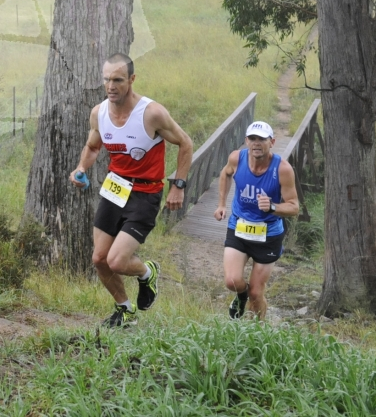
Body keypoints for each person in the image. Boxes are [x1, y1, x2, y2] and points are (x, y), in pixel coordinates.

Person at [70, 53, 193, 327]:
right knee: (99, 259)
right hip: (114, 189)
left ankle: (147, 272)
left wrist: (178, 185)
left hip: (145, 194)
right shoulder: (99, 113)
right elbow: (92, 146)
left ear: (132, 79)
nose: (110, 86)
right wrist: (81, 168)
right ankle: (125, 310)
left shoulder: (151, 113)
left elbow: (185, 143)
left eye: (117, 80)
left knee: (116, 261)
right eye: (106, 80)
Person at [213, 121, 300, 320]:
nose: (256, 143)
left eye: (262, 139)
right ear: (246, 141)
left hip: (268, 234)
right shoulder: (237, 158)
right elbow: (225, 174)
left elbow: (294, 207)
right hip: (239, 227)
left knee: (256, 292)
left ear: (272, 142)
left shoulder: (283, 169)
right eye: (252, 138)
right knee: (232, 281)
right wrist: (221, 204)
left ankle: (257, 331)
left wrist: (273, 207)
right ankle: (241, 295)